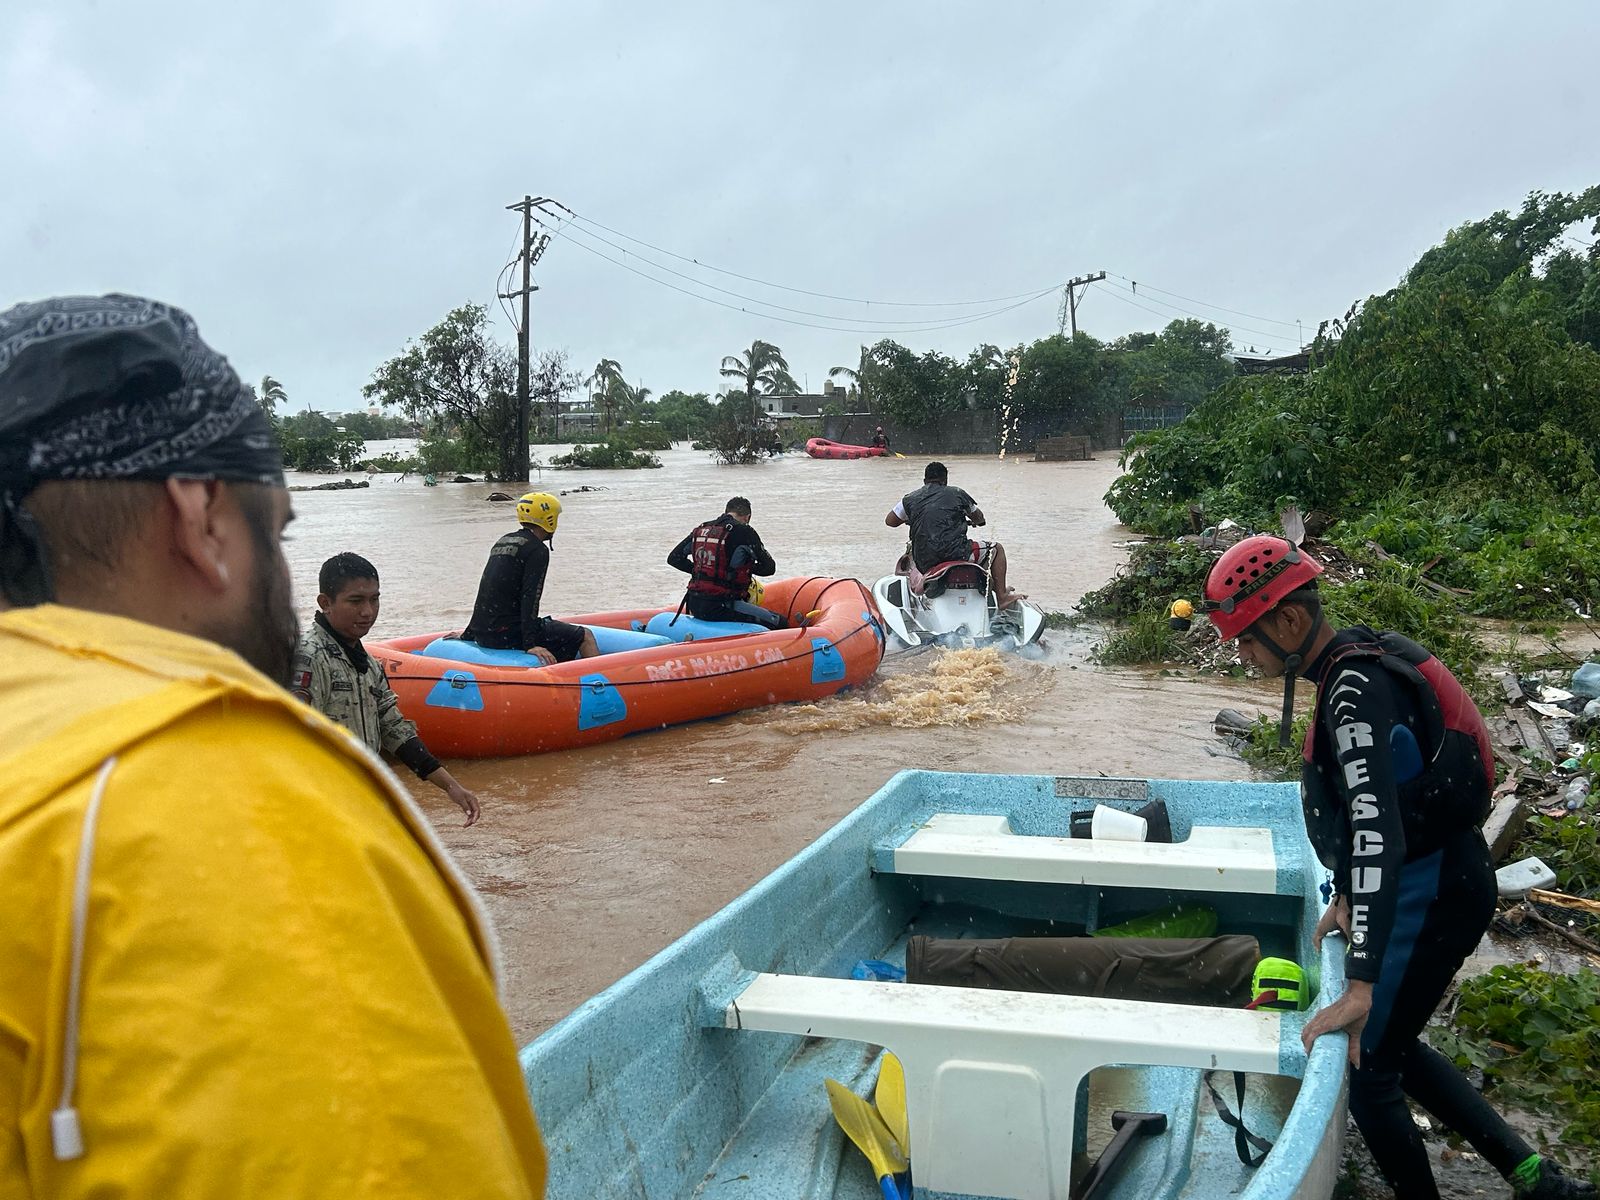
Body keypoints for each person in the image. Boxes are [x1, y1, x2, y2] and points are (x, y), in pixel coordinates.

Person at [0, 295, 545, 1197]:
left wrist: (444, 784)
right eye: (277, 532)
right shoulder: (230, 804)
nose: (289, 580)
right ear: (202, 516)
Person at [1199, 535, 1594, 1200]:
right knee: (1397, 1049)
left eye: (1244, 638)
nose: (1240, 654)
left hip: (1431, 892)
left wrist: (1360, 980)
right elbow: (1374, 811)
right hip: (1439, 877)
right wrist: (1348, 894)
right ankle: (1534, 1177)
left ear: (1290, 621)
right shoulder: (1353, 666)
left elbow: (1380, 831)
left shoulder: (1352, 694)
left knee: (1368, 1071)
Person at [292, 552, 481, 826]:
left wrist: (451, 787)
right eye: (355, 601)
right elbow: (295, 742)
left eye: (374, 599)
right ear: (325, 603)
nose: (368, 611)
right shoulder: (308, 659)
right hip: (324, 810)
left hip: (364, 802)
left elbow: (394, 729)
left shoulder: (368, 664)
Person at [462, 491, 598, 664]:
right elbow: (531, 596)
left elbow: (487, 589)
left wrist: (469, 633)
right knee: (585, 635)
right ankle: (599, 685)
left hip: (485, 633)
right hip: (508, 634)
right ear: (549, 519)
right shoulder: (537, 550)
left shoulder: (503, 541)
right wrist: (530, 644)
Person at [885, 461, 1023, 607]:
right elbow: (979, 518)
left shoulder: (910, 499)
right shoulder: (958, 494)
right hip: (958, 553)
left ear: (924, 481)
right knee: (996, 549)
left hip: (924, 560)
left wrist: (911, 518)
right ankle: (1001, 596)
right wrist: (972, 520)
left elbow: (890, 521)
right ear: (945, 480)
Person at [667, 495, 783, 629]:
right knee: (780, 622)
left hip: (694, 603)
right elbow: (769, 568)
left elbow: (674, 558)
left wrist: (702, 571)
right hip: (722, 606)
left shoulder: (702, 529)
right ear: (747, 517)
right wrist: (745, 568)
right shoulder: (744, 531)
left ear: (726, 511)